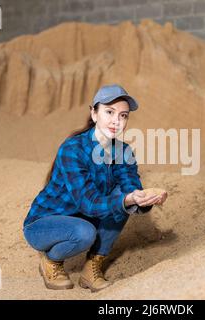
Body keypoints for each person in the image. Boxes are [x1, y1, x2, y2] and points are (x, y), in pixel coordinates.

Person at [23, 84, 168, 291]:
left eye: (124, 116)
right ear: (94, 113)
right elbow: (88, 202)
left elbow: (130, 187)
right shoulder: (73, 148)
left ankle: (92, 267)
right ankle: (51, 260)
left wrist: (143, 199)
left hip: (85, 218)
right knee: (85, 231)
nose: (116, 121)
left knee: (123, 196)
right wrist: (125, 201)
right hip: (44, 225)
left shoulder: (123, 151)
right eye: (109, 112)